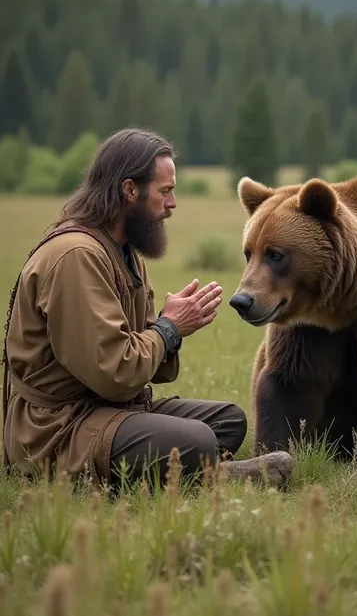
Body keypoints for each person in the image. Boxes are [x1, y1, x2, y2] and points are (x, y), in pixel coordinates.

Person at [1, 127, 293, 491]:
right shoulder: (76, 257)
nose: (172, 203)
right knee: (198, 441)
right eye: (166, 191)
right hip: (56, 428)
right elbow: (114, 371)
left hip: (106, 407)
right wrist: (169, 328)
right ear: (130, 190)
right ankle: (218, 477)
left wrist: (169, 329)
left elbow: (140, 365)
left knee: (228, 421)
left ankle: (187, 467)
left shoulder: (123, 253)